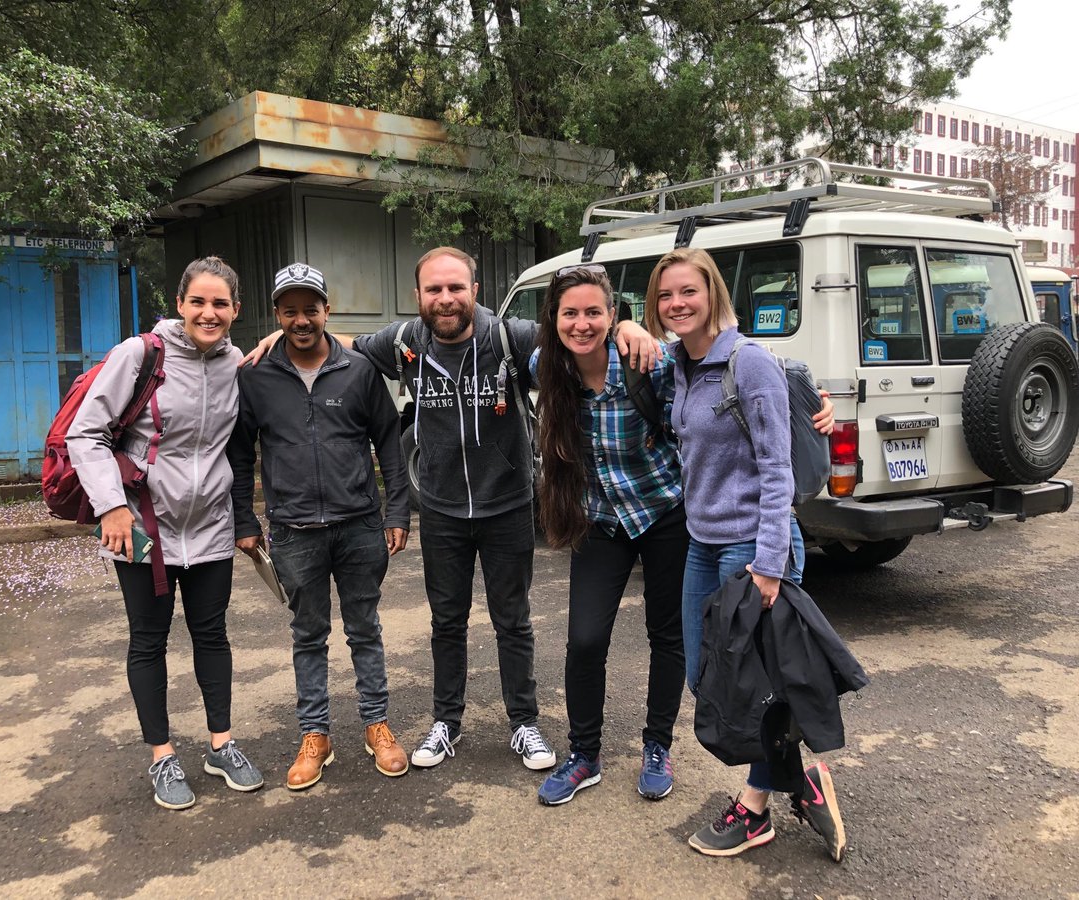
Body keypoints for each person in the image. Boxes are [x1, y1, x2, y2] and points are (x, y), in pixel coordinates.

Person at [245, 247, 660, 772]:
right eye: (434, 289)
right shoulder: (403, 341)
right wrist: (280, 338)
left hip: (507, 504)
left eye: (455, 288)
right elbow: (342, 343)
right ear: (418, 295)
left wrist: (628, 328)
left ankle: (524, 723)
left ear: (474, 291)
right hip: (441, 510)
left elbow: (578, 332)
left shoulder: (510, 337)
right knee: (447, 623)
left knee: (513, 622)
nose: (446, 299)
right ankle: (446, 723)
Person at [645, 247, 847, 860]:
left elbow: (776, 466)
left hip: (752, 547)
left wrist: (768, 564)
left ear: (713, 292)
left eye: (689, 291)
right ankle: (799, 780)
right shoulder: (681, 363)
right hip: (702, 544)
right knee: (705, 677)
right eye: (665, 295)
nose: (677, 304)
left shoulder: (748, 361)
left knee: (756, 688)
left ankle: (755, 809)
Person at [67, 256, 263, 810]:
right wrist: (111, 507)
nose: (208, 313)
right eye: (197, 301)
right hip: (142, 525)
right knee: (148, 640)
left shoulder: (235, 365)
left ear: (235, 310)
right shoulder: (140, 354)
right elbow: (86, 433)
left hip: (210, 527)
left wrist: (276, 335)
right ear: (179, 304)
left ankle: (221, 745)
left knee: (212, 634)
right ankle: (162, 755)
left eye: (220, 303)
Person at [227, 263, 412, 791]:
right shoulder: (256, 376)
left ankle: (376, 725)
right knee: (308, 635)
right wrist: (245, 519)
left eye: (311, 309)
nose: (301, 320)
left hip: (359, 526)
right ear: (277, 315)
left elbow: (389, 443)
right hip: (293, 531)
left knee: (364, 629)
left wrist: (397, 512)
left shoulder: (359, 370)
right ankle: (315, 735)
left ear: (327, 311)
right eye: (290, 311)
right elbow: (240, 454)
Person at [529, 264, 688, 806]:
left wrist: (812, 397)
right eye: (570, 313)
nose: (582, 324)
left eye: (594, 312)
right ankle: (584, 755)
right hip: (600, 520)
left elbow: (730, 367)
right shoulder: (547, 367)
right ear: (554, 319)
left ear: (612, 314)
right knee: (585, 640)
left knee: (667, 635)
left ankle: (657, 746)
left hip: (665, 514)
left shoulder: (648, 362)